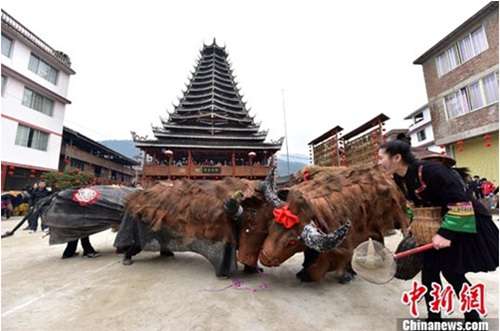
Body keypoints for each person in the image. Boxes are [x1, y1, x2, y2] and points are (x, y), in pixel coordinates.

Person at [378, 140, 498, 321]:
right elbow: (413, 204)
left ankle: (473, 318)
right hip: (437, 225)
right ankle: (434, 318)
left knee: (453, 272)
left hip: (463, 222)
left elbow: (461, 203)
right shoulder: (399, 178)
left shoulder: (432, 172)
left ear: (396, 158)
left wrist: (445, 234)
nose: (378, 162)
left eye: (381, 158)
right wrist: (414, 223)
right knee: (429, 273)